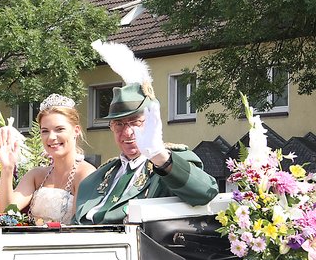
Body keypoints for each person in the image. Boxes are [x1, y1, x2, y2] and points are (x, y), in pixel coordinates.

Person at [74, 41, 218, 224]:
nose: (127, 132)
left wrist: (160, 157)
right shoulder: (100, 176)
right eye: (118, 124)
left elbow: (206, 192)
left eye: (135, 122)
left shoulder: (171, 164)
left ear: (152, 122)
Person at [0, 93, 97, 225]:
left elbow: (78, 226)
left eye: (59, 129)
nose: (51, 137)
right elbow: (6, 210)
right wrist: (7, 169)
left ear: (76, 131)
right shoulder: (36, 175)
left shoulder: (85, 174)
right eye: (45, 131)